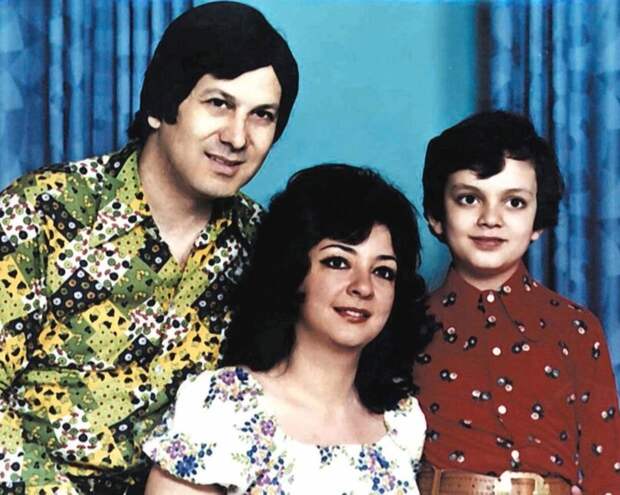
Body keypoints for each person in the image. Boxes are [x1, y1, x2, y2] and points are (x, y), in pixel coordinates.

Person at [0, 2, 298, 493]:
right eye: (218, 103)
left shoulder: (262, 246)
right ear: (161, 105)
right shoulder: (43, 211)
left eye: (261, 115)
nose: (237, 137)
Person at [142, 164, 432, 494]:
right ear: (293, 272)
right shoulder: (221, 406)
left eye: (383, 272)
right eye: (337, 262)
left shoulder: (401, 421)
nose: (363, 287)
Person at [414, 111, 620, 494]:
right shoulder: (405, 327)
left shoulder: (577, 329)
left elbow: (606, 472)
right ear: (436, 216)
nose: (490, 218)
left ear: (538, 221)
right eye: (469, 199)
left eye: (514, 202)